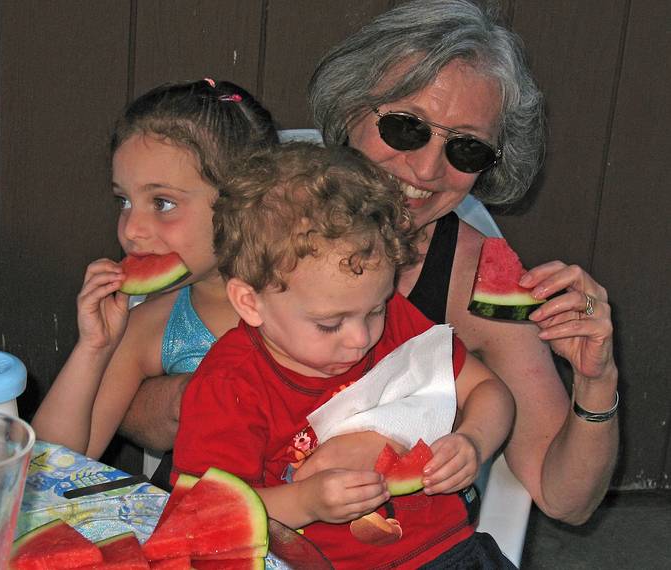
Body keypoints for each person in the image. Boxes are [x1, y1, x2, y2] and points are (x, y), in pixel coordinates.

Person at [302, 0, 618, 525]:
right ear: (350, 109)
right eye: (407, 127)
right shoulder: (258, 215)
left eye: (467, 149)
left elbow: (566, 499)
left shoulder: (478, 278)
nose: (427, 169)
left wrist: (597, 379)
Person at [174, 143, 517, 569]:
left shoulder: (395, 320)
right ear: (250, 302)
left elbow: (488, 390)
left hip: (452, 552)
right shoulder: (229, 387)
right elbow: (205, 515)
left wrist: (473, 441)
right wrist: (305, 501)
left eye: (374, 308)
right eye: (329, 324)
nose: (360, 338)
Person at [31, 78, 278, 459]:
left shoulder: (315, 298)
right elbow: (51, 463)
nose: (130, 229)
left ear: (246, 200)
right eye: (124, 201)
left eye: (162, 203)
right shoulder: (152, 327)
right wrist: (94, 347)